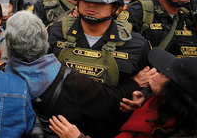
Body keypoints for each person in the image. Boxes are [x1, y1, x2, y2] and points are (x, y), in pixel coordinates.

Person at [4, 11, 155, 138]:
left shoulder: (0, 80)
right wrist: (135, 83)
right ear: (45, 41)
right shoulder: (71, 80)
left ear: (7, 46)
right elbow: (112, 101)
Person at [49, 46, 197, 138]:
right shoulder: (161, 107)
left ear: (177, 93)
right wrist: (145, 98)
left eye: (165, 74)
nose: (156, 73)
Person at [49, 0, 151, 87]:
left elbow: (149, 82)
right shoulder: (54, 33)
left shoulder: (136, 45)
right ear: (78, 2)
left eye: (100, 2)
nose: (91, 5)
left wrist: (139, 96)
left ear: (115, 7)